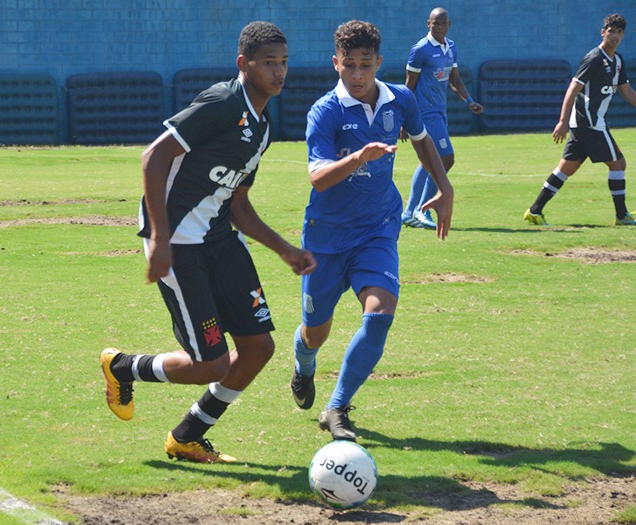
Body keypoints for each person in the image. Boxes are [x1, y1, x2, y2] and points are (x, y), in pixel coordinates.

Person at [100, 21, 316, 463]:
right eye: (268, 63)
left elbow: (239, 204)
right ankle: (123, 367)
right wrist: (160, 237)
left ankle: (188, 435)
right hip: (178, 243)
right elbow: (154, 156)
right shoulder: (222, 102)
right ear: (244, 64)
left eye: (283, 62)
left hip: (219, 240)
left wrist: (284, 249)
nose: (279, 72)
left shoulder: (263, 127)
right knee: (210, 365)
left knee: (259, 348)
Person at [289, 20, 453, 441]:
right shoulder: (325, 111)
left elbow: (422, 139)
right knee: (315, 332)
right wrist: (359, 157)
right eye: (349, 65)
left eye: (366, 65)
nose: (357, 74)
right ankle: (304, 363)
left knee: (379, 314)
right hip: (326, 236)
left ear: (379, 63)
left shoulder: (400, 99)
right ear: (336, 63)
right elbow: (318, 179)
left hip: (378, 227)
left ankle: (337, 407)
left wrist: (445, 186)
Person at [524, 13, 636, 227]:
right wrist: (562, 121)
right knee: (618, 163)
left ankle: (534, 211)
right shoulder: (594, 58)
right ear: (602, 33)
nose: (615, 36)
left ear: (623, 35)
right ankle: (622, 215)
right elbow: (573, 89)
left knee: (567, 168)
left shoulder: (618, 61)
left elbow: (627, 91)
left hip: (589, 122)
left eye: (619, 32)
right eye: (611, 31)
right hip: (589, 122)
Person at [401, 7, 482, 230]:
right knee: (446, 158)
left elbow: (455, 80)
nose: (439, 27)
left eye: (443, 23)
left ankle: (408, 213)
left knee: (427, 162)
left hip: (440, 112)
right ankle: (422, 210)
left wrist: (469, 101)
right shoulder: (420, 50)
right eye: (435, 23)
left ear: (449, 25)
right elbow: (409, 86)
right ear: (428, 24)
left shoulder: (451, 47)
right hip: (424, 114)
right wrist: (404, 119)